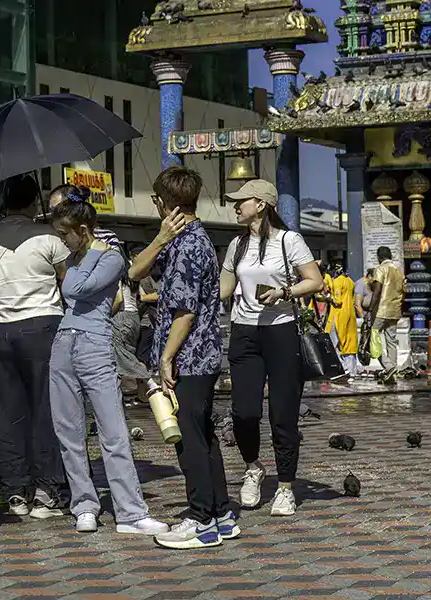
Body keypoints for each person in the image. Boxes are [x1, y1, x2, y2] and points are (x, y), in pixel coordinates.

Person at [48, 196, 169, 536]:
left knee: (113, 429)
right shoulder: (75, 257)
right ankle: (84, 504)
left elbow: (73, 288)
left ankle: (130, 512)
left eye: (64, 233)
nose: (62, 241)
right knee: (68, 431)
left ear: (83, 230)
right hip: (63, 344)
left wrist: (79, 265)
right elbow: (73, 292)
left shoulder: (111, 257)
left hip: (95, 344)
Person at [128, 167, 233, 549]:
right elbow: (134, 272)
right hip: (195, 355)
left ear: (163, 202)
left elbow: (184, 313)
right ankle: (221, 511)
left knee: (190, 438)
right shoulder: (178, 239)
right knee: (202, 434)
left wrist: (166, 359)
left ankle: (201, 518)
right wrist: (159, 238)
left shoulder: (190, 245)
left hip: (191, 356)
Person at [0, 174, 68, 519]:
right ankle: (48, 490)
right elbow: (69, 280)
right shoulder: (50, 237)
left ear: (3, 203)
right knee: (44, 408)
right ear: (34, 202)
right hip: (43, 326)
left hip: (0, 329)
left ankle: (15, 491)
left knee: (5, 412)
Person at [219, 179, 323, 518]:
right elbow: (224, 288)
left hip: (280, 333)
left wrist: (284, 293)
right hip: (244, 333)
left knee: (283, 414)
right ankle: (253, 467)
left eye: (241, 201)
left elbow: (315, 280)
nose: (235, 206)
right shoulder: (236, 244)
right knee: (244, 412)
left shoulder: (288, 240)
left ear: (261, 204)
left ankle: (285, 487)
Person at [368, 246, 405, 384]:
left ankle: (388, 367)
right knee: (391, 341)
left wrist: (370, 309)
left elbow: (377, 291)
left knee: (373, 339)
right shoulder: (399, 271)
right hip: (395, 310)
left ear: (379, 257)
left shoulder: (380, 269)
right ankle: (392, 375)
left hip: (381, 310)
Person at [325, 263, 358, 378]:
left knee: (332, 343)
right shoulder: (351, 282)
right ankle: (353, 371)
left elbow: (337, 301)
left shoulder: (337, 281)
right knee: (349, 343)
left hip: (338, 315)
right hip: (350, 314)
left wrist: (327, 298)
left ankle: (344, 369)